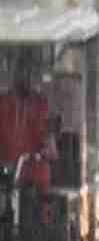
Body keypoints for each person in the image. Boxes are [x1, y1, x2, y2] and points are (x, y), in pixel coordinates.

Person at [0, 48, 55, 184]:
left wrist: (47, 148)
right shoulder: (3, 101)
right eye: (21, 70)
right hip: (4, 170)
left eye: (30, 71)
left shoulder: (41, 104)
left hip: (32, 174)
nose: (26, 75)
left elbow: (47, 138)